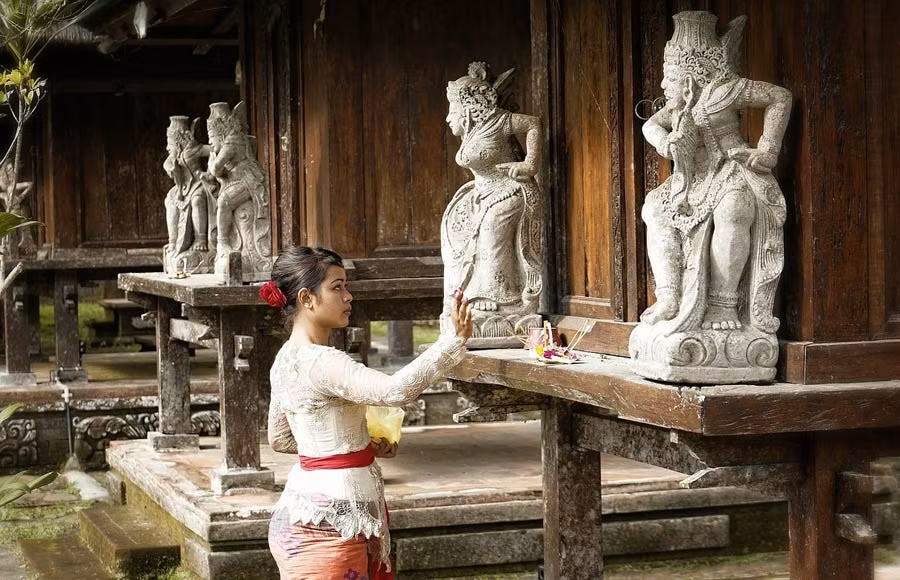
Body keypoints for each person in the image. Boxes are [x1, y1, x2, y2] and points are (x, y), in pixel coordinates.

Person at [261, 246, 473, 579]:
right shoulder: (324, 362)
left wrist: (362, 447)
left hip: (300, 515)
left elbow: (280, 438)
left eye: (346, 286)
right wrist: (450, 344)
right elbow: (394, 391)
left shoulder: (284, 360)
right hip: (333, 527)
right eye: (337, 287)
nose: (349, 297)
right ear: (306, 298)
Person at [440, 62, 543, 323]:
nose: (449, 117)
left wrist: (530, 164)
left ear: (467, 108)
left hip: (508, 190)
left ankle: (500, 299)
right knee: (457, 229)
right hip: (481, 191)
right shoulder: (473, 132)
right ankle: (462, 294)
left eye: (453, 109)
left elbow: (533, 124)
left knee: (490, 230)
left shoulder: (499, 121)